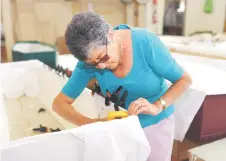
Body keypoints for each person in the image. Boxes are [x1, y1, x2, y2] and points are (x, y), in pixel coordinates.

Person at [52, 11, 192, 161]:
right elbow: (59, 104)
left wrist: (157, 106)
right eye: (94, 64)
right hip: (121, 128)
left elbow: (184, 79)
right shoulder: (89, 62)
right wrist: (93, 123)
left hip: (156, 124)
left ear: (110, 34)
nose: (102, 66)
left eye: (103, 57)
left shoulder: (145, 42)